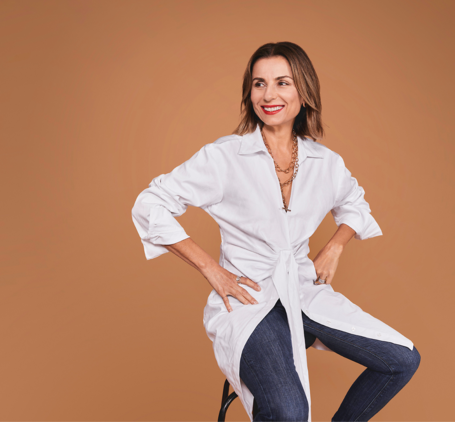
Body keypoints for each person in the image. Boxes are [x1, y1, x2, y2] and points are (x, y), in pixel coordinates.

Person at [131, 42, 421, 422]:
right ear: (248, 93)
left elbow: (355, 204)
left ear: (303, 91)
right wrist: (211, 269)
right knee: (289, 411)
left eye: (282, 83)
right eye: (258, 84)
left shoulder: (325, 163)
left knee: (401, 359)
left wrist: (334, 247)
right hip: (248, 300)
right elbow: (151, 203)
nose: (269, 95)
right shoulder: (225, 157)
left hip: (301, 291)